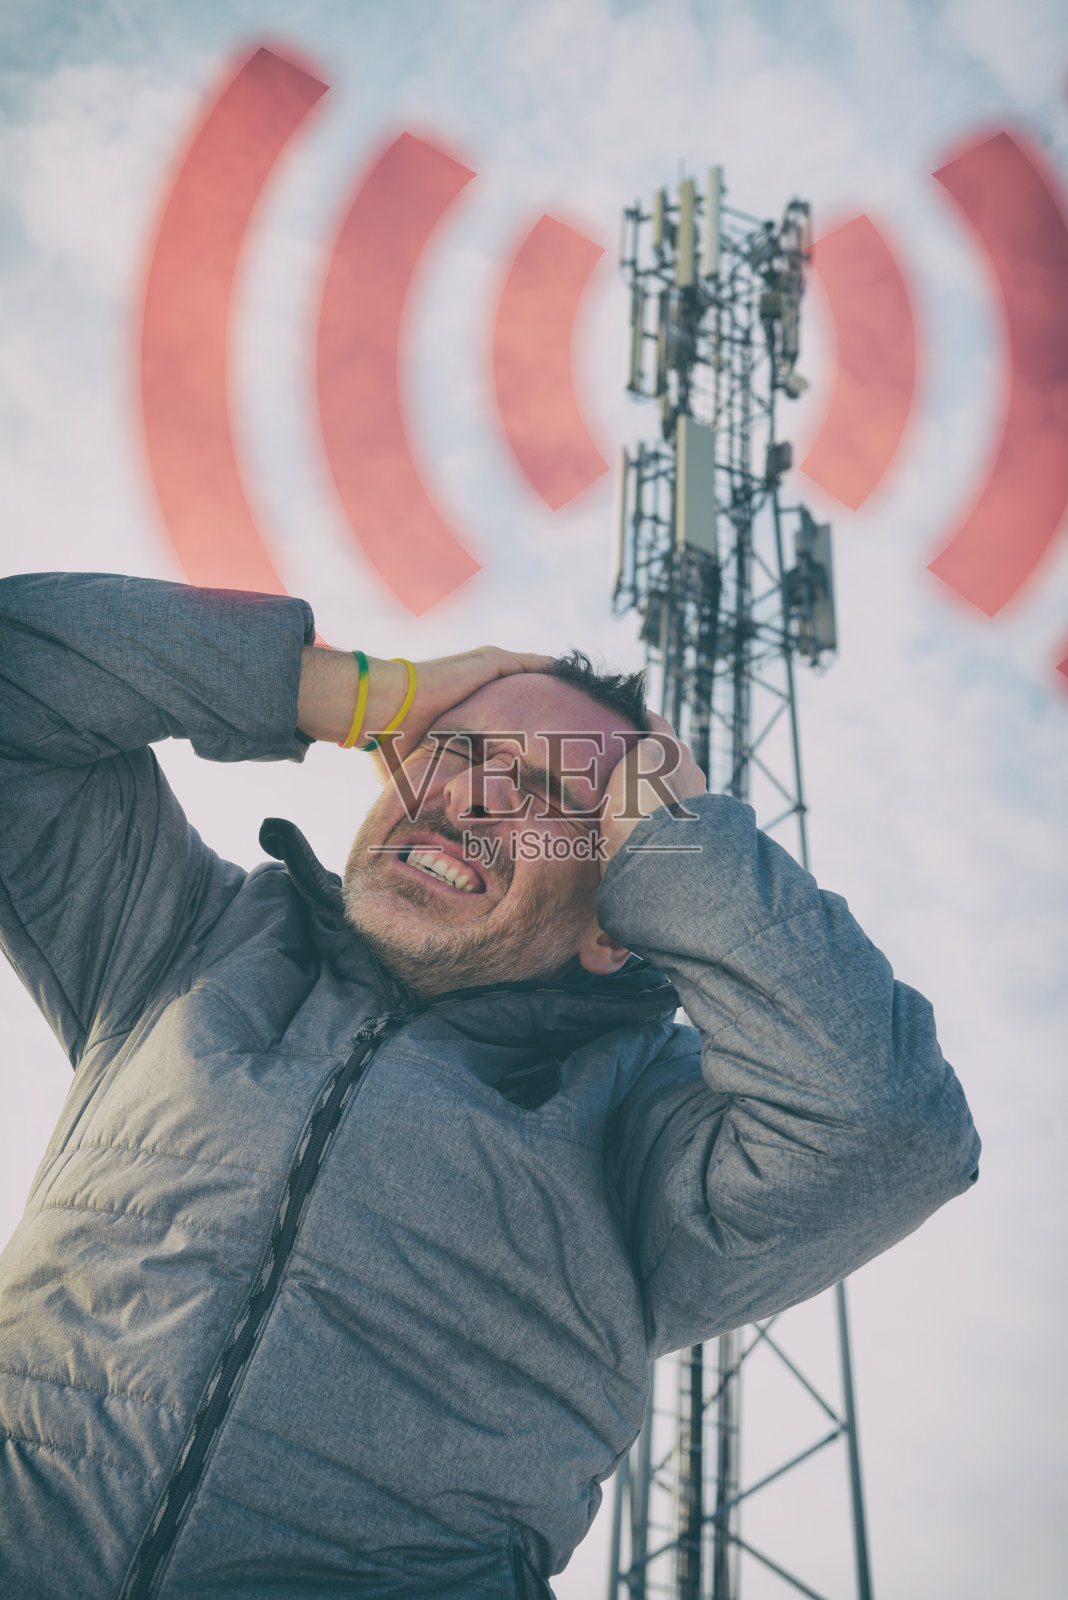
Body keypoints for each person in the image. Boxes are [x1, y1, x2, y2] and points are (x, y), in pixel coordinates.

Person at [0, 572, 980, 1600]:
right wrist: (364, 691)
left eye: (556, 795)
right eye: (455, 751)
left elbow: (889, 1127)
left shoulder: (647, 1129)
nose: (471, 794)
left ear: (618, 922)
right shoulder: (182, 942)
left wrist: (667, 827)